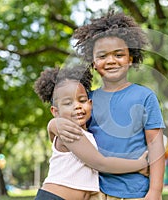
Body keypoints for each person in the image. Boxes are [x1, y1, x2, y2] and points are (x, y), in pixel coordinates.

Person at [48, 11, 166, 200]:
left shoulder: (145, 97)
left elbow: (156, 145)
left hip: (136, 191)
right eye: (102, 56)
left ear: (131, 58)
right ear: (93, 63)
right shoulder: (88, 101)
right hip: (98, 192)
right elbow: (69, 137)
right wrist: (53, 125)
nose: (111, 61)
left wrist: (155, 191)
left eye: (119, 55)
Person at [34, 66, 148, 200]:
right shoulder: (70, 132)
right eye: (68, 103)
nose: (77, 106)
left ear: (90, 104)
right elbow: (101, 163)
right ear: (55, 112)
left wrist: (52, 125)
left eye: (82, 100)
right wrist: (140, 165)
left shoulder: (86, 133)